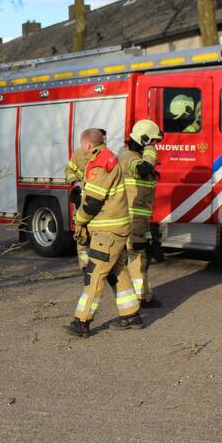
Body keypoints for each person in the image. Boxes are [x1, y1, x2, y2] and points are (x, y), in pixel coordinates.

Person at [64, 128, 141, 338]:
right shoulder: (104, 158)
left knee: (95, 275)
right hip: (113, 229)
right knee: (117, 271)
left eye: (82, 145)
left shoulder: (100, 164)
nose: (81, 149)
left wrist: (78, 220)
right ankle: (131, 315)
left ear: (88, 145)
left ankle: (81, 322)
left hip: (107, 231)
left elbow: (92, 203)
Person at [118, 119, 163, 308]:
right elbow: (143, 169)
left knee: (141, 255)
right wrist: (150, 149)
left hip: (139, 219)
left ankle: (142, 296)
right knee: (136, 256)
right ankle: (137, 300)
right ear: (144, 139)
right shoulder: (129, 156)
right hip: (131, 219)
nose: (155, 146)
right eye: (153, 141)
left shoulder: (134, 155)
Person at [64, 128, 106, 272]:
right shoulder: (79, 154)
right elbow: (69, 170)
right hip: (82, 199)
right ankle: (84, 265)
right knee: (81, 233)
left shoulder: (106, 157)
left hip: (97, 201)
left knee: (97, 233)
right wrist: (75, 184)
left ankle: (96, 265)